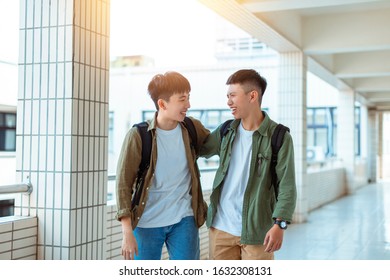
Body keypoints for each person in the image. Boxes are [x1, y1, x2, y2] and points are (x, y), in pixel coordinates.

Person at [199, 69, 297, 260]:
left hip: (258, 233)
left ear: (252, 96)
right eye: (228, 96)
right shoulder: (226, 130)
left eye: (233, 96)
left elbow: (287, 185)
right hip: (220, 229)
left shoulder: (279, 137)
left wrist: (280, 225)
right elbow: (200, 149)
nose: (228, 102)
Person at [115, 71, 210, 260]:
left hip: (184, 219)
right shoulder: (139, 136)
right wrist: (127, 232)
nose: (188, 105)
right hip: (146, 222)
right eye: (182, 99)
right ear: (162, 103)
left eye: (188, 98)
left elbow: (216, 146)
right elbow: (123, 184)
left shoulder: (192, 128)